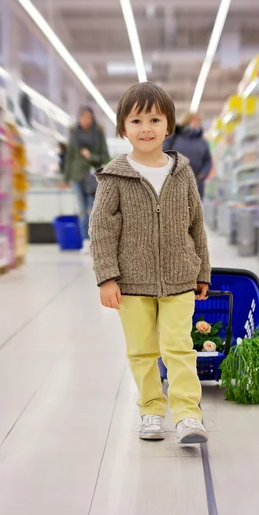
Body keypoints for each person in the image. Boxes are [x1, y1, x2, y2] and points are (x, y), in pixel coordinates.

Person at [89, 82, 211, 445]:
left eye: (154, 119)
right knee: (142, 350)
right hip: (132, 282)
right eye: (136, 120)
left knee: (179, 347)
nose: (146, 128)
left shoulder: (182, 172)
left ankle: (188, 414)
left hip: (179, 278)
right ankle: (151, 411)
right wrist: (107, 277)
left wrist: (201, 271)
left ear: (169, 126)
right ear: (123, 128)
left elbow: (196, 225)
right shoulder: (114, 176)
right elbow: (101, 229)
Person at [62, 106, 110, 252]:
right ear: (79, 118)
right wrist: (66, 177)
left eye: (89, 117)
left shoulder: (98, 134)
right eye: (84, 117)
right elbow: (69, 157)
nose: (86, 121)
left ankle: (94, 239)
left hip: (93, 176)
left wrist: (91, 157)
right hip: (77, 176)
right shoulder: (74, 134)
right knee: (82, 209)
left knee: (93, 209)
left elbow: (105, 157)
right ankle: (85, 239)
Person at [163, 111, 212, 199]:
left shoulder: (202, 142)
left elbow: (208, 160)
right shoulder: (174, 137)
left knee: (194, 210)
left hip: (196, 182)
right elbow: (164, 153)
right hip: (176, 180)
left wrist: (202, 175)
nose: (198, 123)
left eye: (199, 121)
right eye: (195, 121)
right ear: (187, 121)